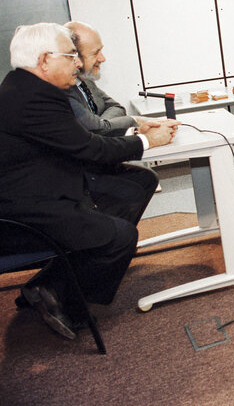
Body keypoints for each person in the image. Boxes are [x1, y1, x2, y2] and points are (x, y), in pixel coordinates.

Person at [0, 23, 178, 340]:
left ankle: (51, 286)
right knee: (121, 236)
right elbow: (90, 147)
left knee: (134, 184)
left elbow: (86, 139)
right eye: (71, 56)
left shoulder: (26, 88)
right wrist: (148, 143)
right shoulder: (34, 99)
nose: (79, 63)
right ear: (44, 61)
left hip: (41, 187)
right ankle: (64, 300)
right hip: (23, 211)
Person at [65, 21, 163, 227]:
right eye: (96, 52)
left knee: (147, 178)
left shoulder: (85, 80)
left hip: (97, 156)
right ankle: (109, 240)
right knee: (134, 187)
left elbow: (116, 107)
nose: (103, 58)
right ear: (75, 57)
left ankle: (116, 237)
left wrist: (102, 122)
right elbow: (95, 129)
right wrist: (129, 123)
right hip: (79, 171)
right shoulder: (65, 88)